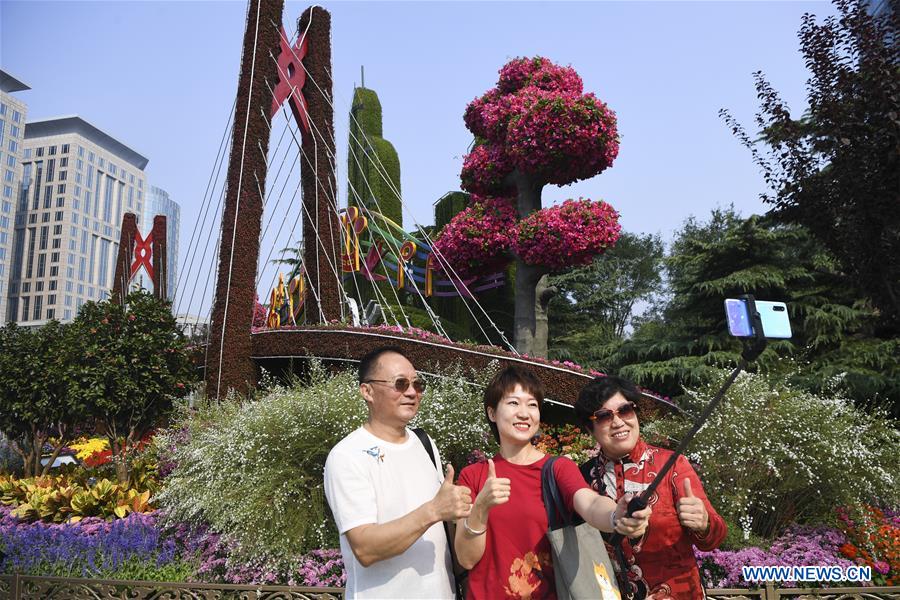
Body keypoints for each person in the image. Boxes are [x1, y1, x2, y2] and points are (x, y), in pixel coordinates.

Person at [455, 366, 652, 599]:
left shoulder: (557, 468)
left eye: (532, 404)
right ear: (491, 413)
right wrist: (481, 507)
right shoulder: (473, 475)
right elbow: (466, 559)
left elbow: (589, 503)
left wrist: (616, 516)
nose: (524, 413)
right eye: (513, 403)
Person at [324, 346, 472, 599]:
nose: (412, 392)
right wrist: (434, 510)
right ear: (367, 391)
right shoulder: (348, 455)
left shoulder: (424, 443)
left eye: (418, 384)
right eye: (400, 384)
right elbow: (365, 548)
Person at [574, 375, 727, 600]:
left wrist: (704, 523)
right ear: (590, 428)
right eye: (604, 416)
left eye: (625, 410)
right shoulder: (582, 477)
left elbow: (715, 538)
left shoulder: (673, 464)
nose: (618, 423)